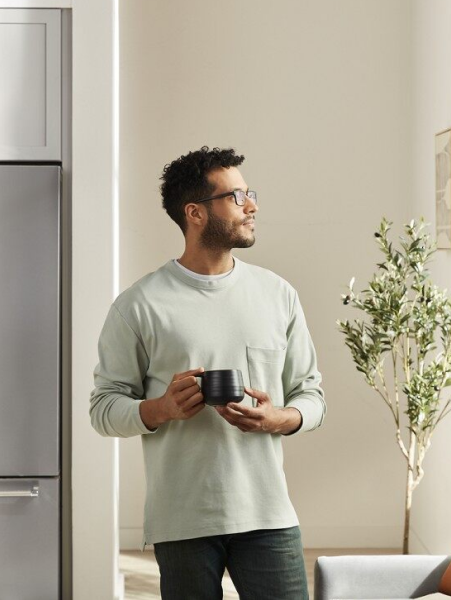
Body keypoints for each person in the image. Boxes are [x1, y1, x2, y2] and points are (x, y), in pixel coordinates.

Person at [89, 145, 326, 600]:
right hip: (182, 519)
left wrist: (283, 419)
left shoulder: (278, 295)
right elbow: (103, 408)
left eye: (249, 193)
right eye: (237, 196)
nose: (252, 205)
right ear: (195, 212)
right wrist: (159, 408)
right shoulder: (139, 305)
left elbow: (311, 394)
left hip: (268, 513)